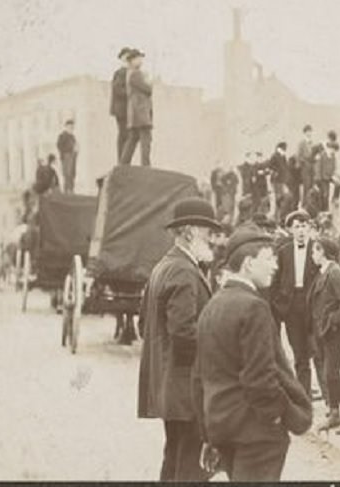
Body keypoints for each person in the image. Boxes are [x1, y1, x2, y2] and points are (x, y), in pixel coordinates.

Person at [191, 228, 312, 482]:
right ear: (248, 264)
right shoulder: (254, 307)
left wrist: (207, 434)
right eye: (269, 258)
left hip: (223, 427)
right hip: (256, 432)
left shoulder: (212, 305)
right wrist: (278, 416)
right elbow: (260, 379)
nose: (275, 266)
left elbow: (198, 378)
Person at [137, 197, 221, 481]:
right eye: (207, 230)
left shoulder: (164, 266)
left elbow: (143, 325)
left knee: (174, 461)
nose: (213, 237)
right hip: (187, 392)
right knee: (190, 469)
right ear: (189, 232)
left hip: (170, 390)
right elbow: (184, 335)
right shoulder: (184, 272)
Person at [271, 210, 327, 401]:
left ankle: (330, 401)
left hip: (312, 306)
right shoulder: (284, 252)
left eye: (304, 226)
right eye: (297, 227)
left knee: (319, 353)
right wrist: (280, 306)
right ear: (290, 230)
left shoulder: (316, 249)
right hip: (292, 307)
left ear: (310, 229)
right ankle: (304, 398)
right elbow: (276, 281)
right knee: (300, 355)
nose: (301, 231)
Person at [308, 237, 340, 434]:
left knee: (331, 373)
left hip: (333, 332)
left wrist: (332, 322)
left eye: (315, 251)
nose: (313, 254)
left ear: (324, 252)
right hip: (323, 331)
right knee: (328, 374)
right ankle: (334, 412)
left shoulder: (335, 272)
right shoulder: (323, 272)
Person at [121, 48, 154, 166]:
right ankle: (146, 166)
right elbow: (148, 89)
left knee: (132, 140)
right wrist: (149, 81)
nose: (141, 61)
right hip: (141, 114)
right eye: (138, 58)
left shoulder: (130, 74)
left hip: (135, 115)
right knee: (146, 140)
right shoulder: (136, 74)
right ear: (132, 60)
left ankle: (123, 166)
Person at [110, 46, 131, 162]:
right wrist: (131, 92)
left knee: (126, 135)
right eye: (126, 57)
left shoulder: (126, 72)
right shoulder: (121, 72)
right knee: (124, 134)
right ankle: (122, 160)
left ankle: (124, 160)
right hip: (122, 109)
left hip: (124, 109)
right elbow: (117, 89)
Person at [296, 125, 317, 206]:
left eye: (310, 132)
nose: (309, 133)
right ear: (304, 133)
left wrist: (315, 158)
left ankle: (311, 205)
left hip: (313, 167)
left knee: (312, 186)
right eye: (307, 132)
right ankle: (305, 205)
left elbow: (315, 155)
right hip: (305, 168)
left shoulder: (313, 143)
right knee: (306, 186)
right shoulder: (301, 143)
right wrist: (304, 162)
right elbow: (298, 156)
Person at [57, 119, 78, 194]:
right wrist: (70, 149)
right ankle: (67, 190)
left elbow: (75, 146)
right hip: (66, 157)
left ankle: (71, 190)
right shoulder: (62, 136)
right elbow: (60, 146)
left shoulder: (72, 136)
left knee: (72, 174)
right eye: (70, 127)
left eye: (72, 127)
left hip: (73, 157)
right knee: (67, 174)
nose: (71, 129)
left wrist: (75, 151)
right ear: (66, 127)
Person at [316, 142, 338, 213]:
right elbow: (318, 168)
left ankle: (335, 198)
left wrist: (333, 175)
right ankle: (324, 209)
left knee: (338, 183)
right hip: (322, 178)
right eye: (332, 149)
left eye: (334, 150)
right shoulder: (322, 156)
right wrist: (318, 179)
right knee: (325, 194)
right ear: (329, 148)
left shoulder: (333, 156)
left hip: (329, 177)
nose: (333, 151)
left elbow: (334, 167)